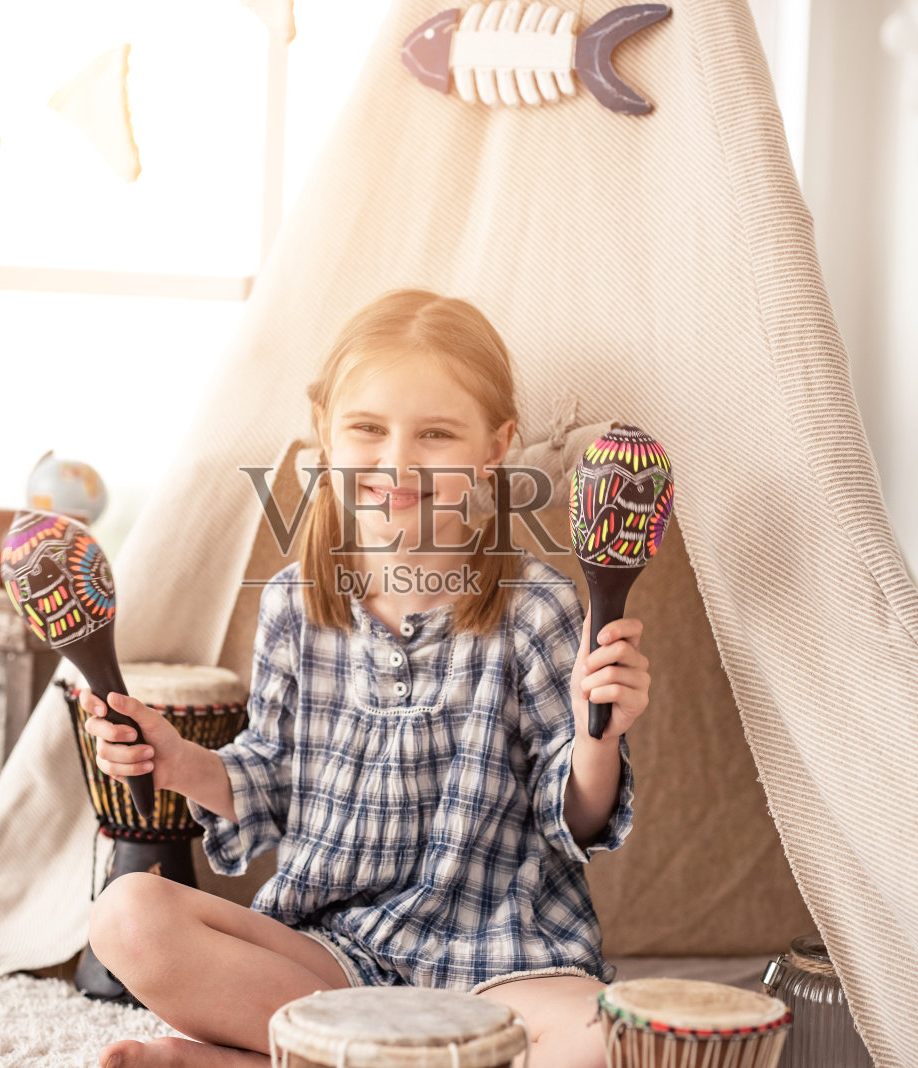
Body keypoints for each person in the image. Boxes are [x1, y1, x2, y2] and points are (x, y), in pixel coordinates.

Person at [80, 289, 650, 1068]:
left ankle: (298, 1060)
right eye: (368, 429)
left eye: (438, 434)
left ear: (495, 447)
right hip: (332, 954)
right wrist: (178, 761)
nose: (397, 463)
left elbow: (577, 820)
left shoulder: (540, 606)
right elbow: (270, 782)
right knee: (126, 916)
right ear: (325, 434)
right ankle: (394, 1054)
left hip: (504, 960)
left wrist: (601, 734)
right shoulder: (291, 605)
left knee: (609, 1043)